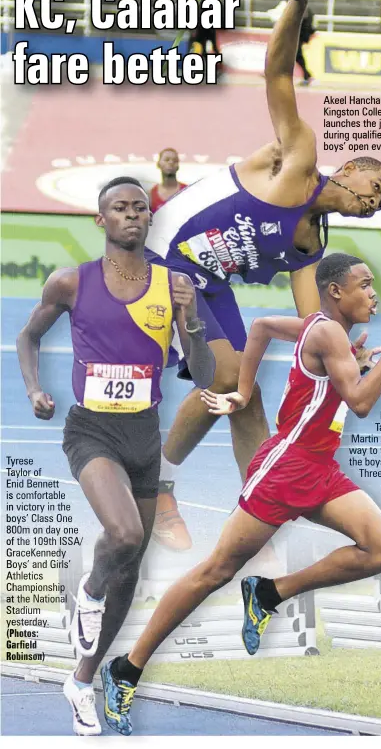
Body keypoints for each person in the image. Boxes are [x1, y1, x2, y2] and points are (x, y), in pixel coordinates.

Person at [101, 252, 381, 736]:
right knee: (215, 572)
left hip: (317, 469)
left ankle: (270, 592)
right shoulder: (330, 332)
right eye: (365, 284)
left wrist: (246, 392)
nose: (374, 294)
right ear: (336, 291)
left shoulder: (319, 327)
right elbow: (359, 401)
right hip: (283, 471)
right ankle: (127, 668)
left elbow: (263, 327)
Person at [147, 0, 381, 551]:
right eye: (375, 193)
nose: (373, 206)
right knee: (229, 376)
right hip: (165, 248)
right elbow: (277, 73)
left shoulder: (312, 243)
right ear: (354, 170)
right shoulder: (299, 157)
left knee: (245, 394)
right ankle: (157, 486)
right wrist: (299, 4)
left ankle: (256, 509)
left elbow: (312, 322)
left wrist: (343, 351)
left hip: (204, 278)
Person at [15, 176, 215, 737]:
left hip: (144, 437)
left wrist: (191, 320)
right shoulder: (71, 283)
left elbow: (203, 377)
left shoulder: (175, 284)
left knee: (131, 566)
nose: (132, 215)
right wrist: (35, 388)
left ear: (149, 220)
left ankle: (81, 681)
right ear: (100, 221)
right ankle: (89, 591)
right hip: (91, 431)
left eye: (139, 209)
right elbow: (28, 337)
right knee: (123, 536)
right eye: (119, 209)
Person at [149, 148, 187, 214]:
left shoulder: (187, 191)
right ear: (158, 164)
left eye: (175, 161)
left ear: (178, 166)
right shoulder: (151, 195)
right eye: (166, 160)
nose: (171, 162)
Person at [296, 6, 315, 84]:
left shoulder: (303, 9)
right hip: (298, 35)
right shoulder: (305, 9)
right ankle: (307, 76)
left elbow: (305, 24)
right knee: (297, 56)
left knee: (298, 56)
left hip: (298, 35)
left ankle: (308, 76)